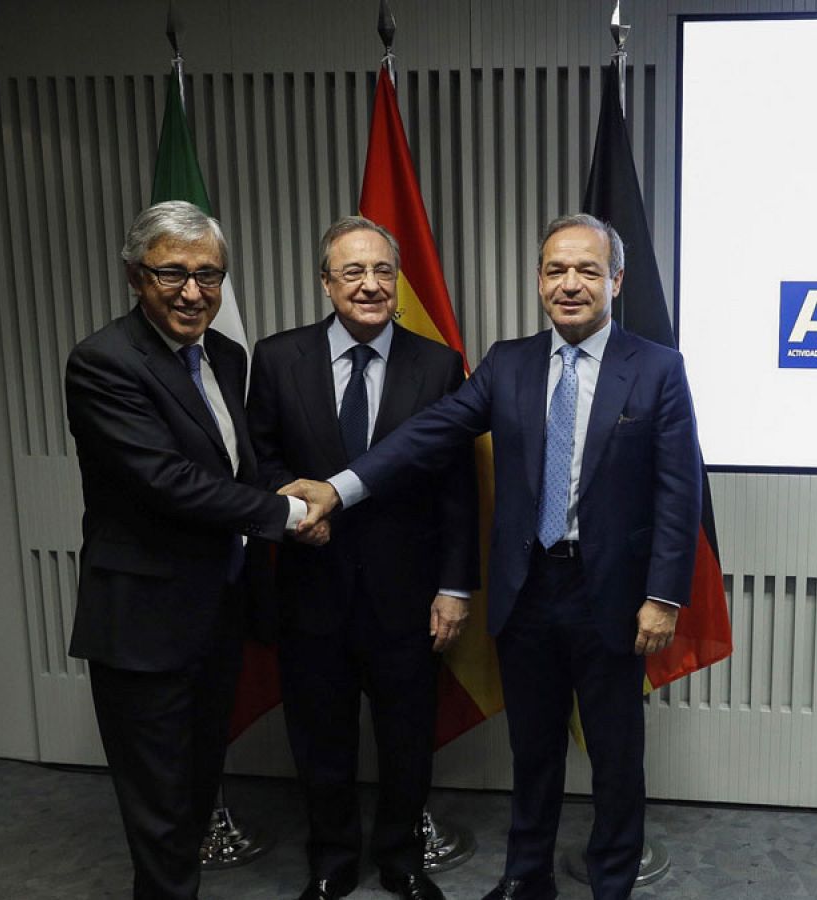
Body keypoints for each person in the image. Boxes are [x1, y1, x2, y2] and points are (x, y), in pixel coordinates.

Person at [283, 213, 703, 900]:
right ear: (539, 279)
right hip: (526, 589)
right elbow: (429, 434)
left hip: (615, 597)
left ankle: (611, 879)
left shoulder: (656, 369)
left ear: (616, 281)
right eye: (555, 270)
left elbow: (679, 493)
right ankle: (525, 874)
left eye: (587, 271)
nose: (570, 285)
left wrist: (663, 596)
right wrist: (338, 487)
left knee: (616, 755)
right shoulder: (507, 363)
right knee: (531, 749)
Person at [64, 200, 321, 900]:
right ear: (134, 275)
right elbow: (166, 483)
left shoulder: (226, 354)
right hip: (143, 623)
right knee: (160, 812)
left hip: (215, 610)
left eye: (209, 276)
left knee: (196, 789)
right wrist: (288, 511)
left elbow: (229, 468)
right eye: (171, 273)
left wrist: (280, 487)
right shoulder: (103, 362)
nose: (191, 292)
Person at [245, 216, 479, 900]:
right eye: (353, 272)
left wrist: (455, 587)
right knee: (320, 737)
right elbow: (259, 461)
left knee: (408, 738)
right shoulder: (278, 357)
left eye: (383, 271)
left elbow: (457, 489)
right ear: (326, 283)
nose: (371, 285)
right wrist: (290, 517)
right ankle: (331, 859)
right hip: (310, 585)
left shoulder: (437, 365)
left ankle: (401, 858)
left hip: (407, 594)